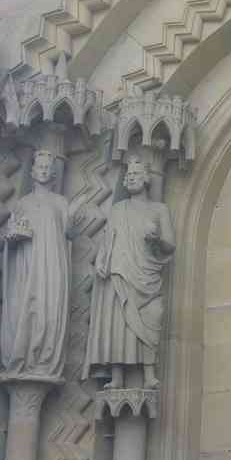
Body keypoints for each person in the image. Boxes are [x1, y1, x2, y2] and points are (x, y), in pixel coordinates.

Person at [84, 159, 175, 389]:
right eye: (128, 175)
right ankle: (117, 376)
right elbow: (108, 240)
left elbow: (170, 245)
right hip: (120, 272)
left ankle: (148, 374)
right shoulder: (118, 209)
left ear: (146, 178)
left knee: (151, 317)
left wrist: (157, 240)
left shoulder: (159, 209)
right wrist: (102, 261)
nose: (131, 177)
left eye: (136, 173)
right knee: (120, 322)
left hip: (147, 274)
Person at [1, 150, 83, 380]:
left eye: (48, 167)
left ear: (54, 173)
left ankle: (44, 360)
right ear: (32, 171)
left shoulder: (60, 202)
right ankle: (23, 359)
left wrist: (73, 215)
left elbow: (69, 234)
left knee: (49, 309)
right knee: (25, 309)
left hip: (53, 264)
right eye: (40, 166)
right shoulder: (22, 203)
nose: (44, 170)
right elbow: (11, 234)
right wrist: (14, 235)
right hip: (27, 265)